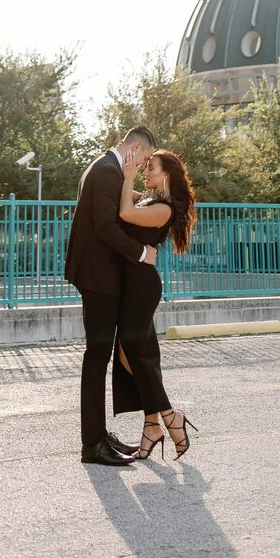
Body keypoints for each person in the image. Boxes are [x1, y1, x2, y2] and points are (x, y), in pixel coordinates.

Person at [64, 125, 159, 467]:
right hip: (98, 277)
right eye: (146, 157)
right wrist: (140, 254)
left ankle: (99, 435)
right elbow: (105, 227)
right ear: (135, 147)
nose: (146, 163)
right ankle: (92, 444)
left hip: (97, 275)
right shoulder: (107, 172)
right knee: (96, 357)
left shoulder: (106, 166)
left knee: (99, 356)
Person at [111, 147, 199, 459]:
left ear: (166, 175)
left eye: (151, 168)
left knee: (132, 352)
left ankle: (169, 416)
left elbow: (124, 213)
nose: (146, 172)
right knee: (142, 354)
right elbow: (125, 194)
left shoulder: (164, 207)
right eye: (146, 168)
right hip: (133, 284)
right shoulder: (151, 198)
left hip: (141, 287)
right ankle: (152, 426)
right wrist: (123, 171)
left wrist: (128, 177)